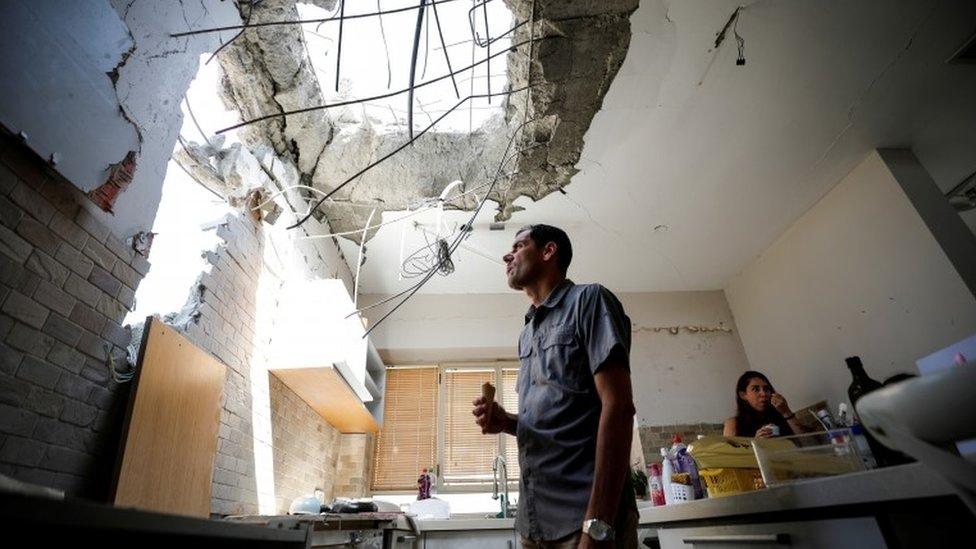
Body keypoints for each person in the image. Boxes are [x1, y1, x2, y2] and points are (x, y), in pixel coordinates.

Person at [472, 224, 638, 549]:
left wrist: (598, 524)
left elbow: (618, 407)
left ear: (549, 251)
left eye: (519, 245)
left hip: (584, 518)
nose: (508, 254)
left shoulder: (589, 300)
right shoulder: (527, 334)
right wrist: (506, 422)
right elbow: (558, 421)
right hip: (533, 523)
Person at [723, 371, 807, 438]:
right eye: (756, 389)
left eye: (766, 389)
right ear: (743, 395)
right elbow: (731, 457)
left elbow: (808, 443)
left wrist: (786, 411)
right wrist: (757, 443)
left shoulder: (781, 416)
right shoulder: (733, 423)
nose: (763, 394)